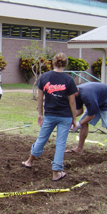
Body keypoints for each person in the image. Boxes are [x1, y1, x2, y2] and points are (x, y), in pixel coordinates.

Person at [21, 53, 77, 182]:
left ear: (53, 63)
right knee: (61, 143)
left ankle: (29, 161)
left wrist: (40, 114)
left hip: (50, 115)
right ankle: (56, 173)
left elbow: (40, 98)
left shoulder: (44, 77)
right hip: (65, 116)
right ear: (65, 64)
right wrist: (74, 118)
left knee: (41, 139)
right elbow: (72, 102)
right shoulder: (69, 79)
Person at [66, 82, 107, 161]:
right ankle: (79, 148)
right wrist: (69, 119)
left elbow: (92, 115)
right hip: (98, 100)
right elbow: (79, 111)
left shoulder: (86, 94)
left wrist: (78, 124)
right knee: (83, 122)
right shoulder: (75, 94)